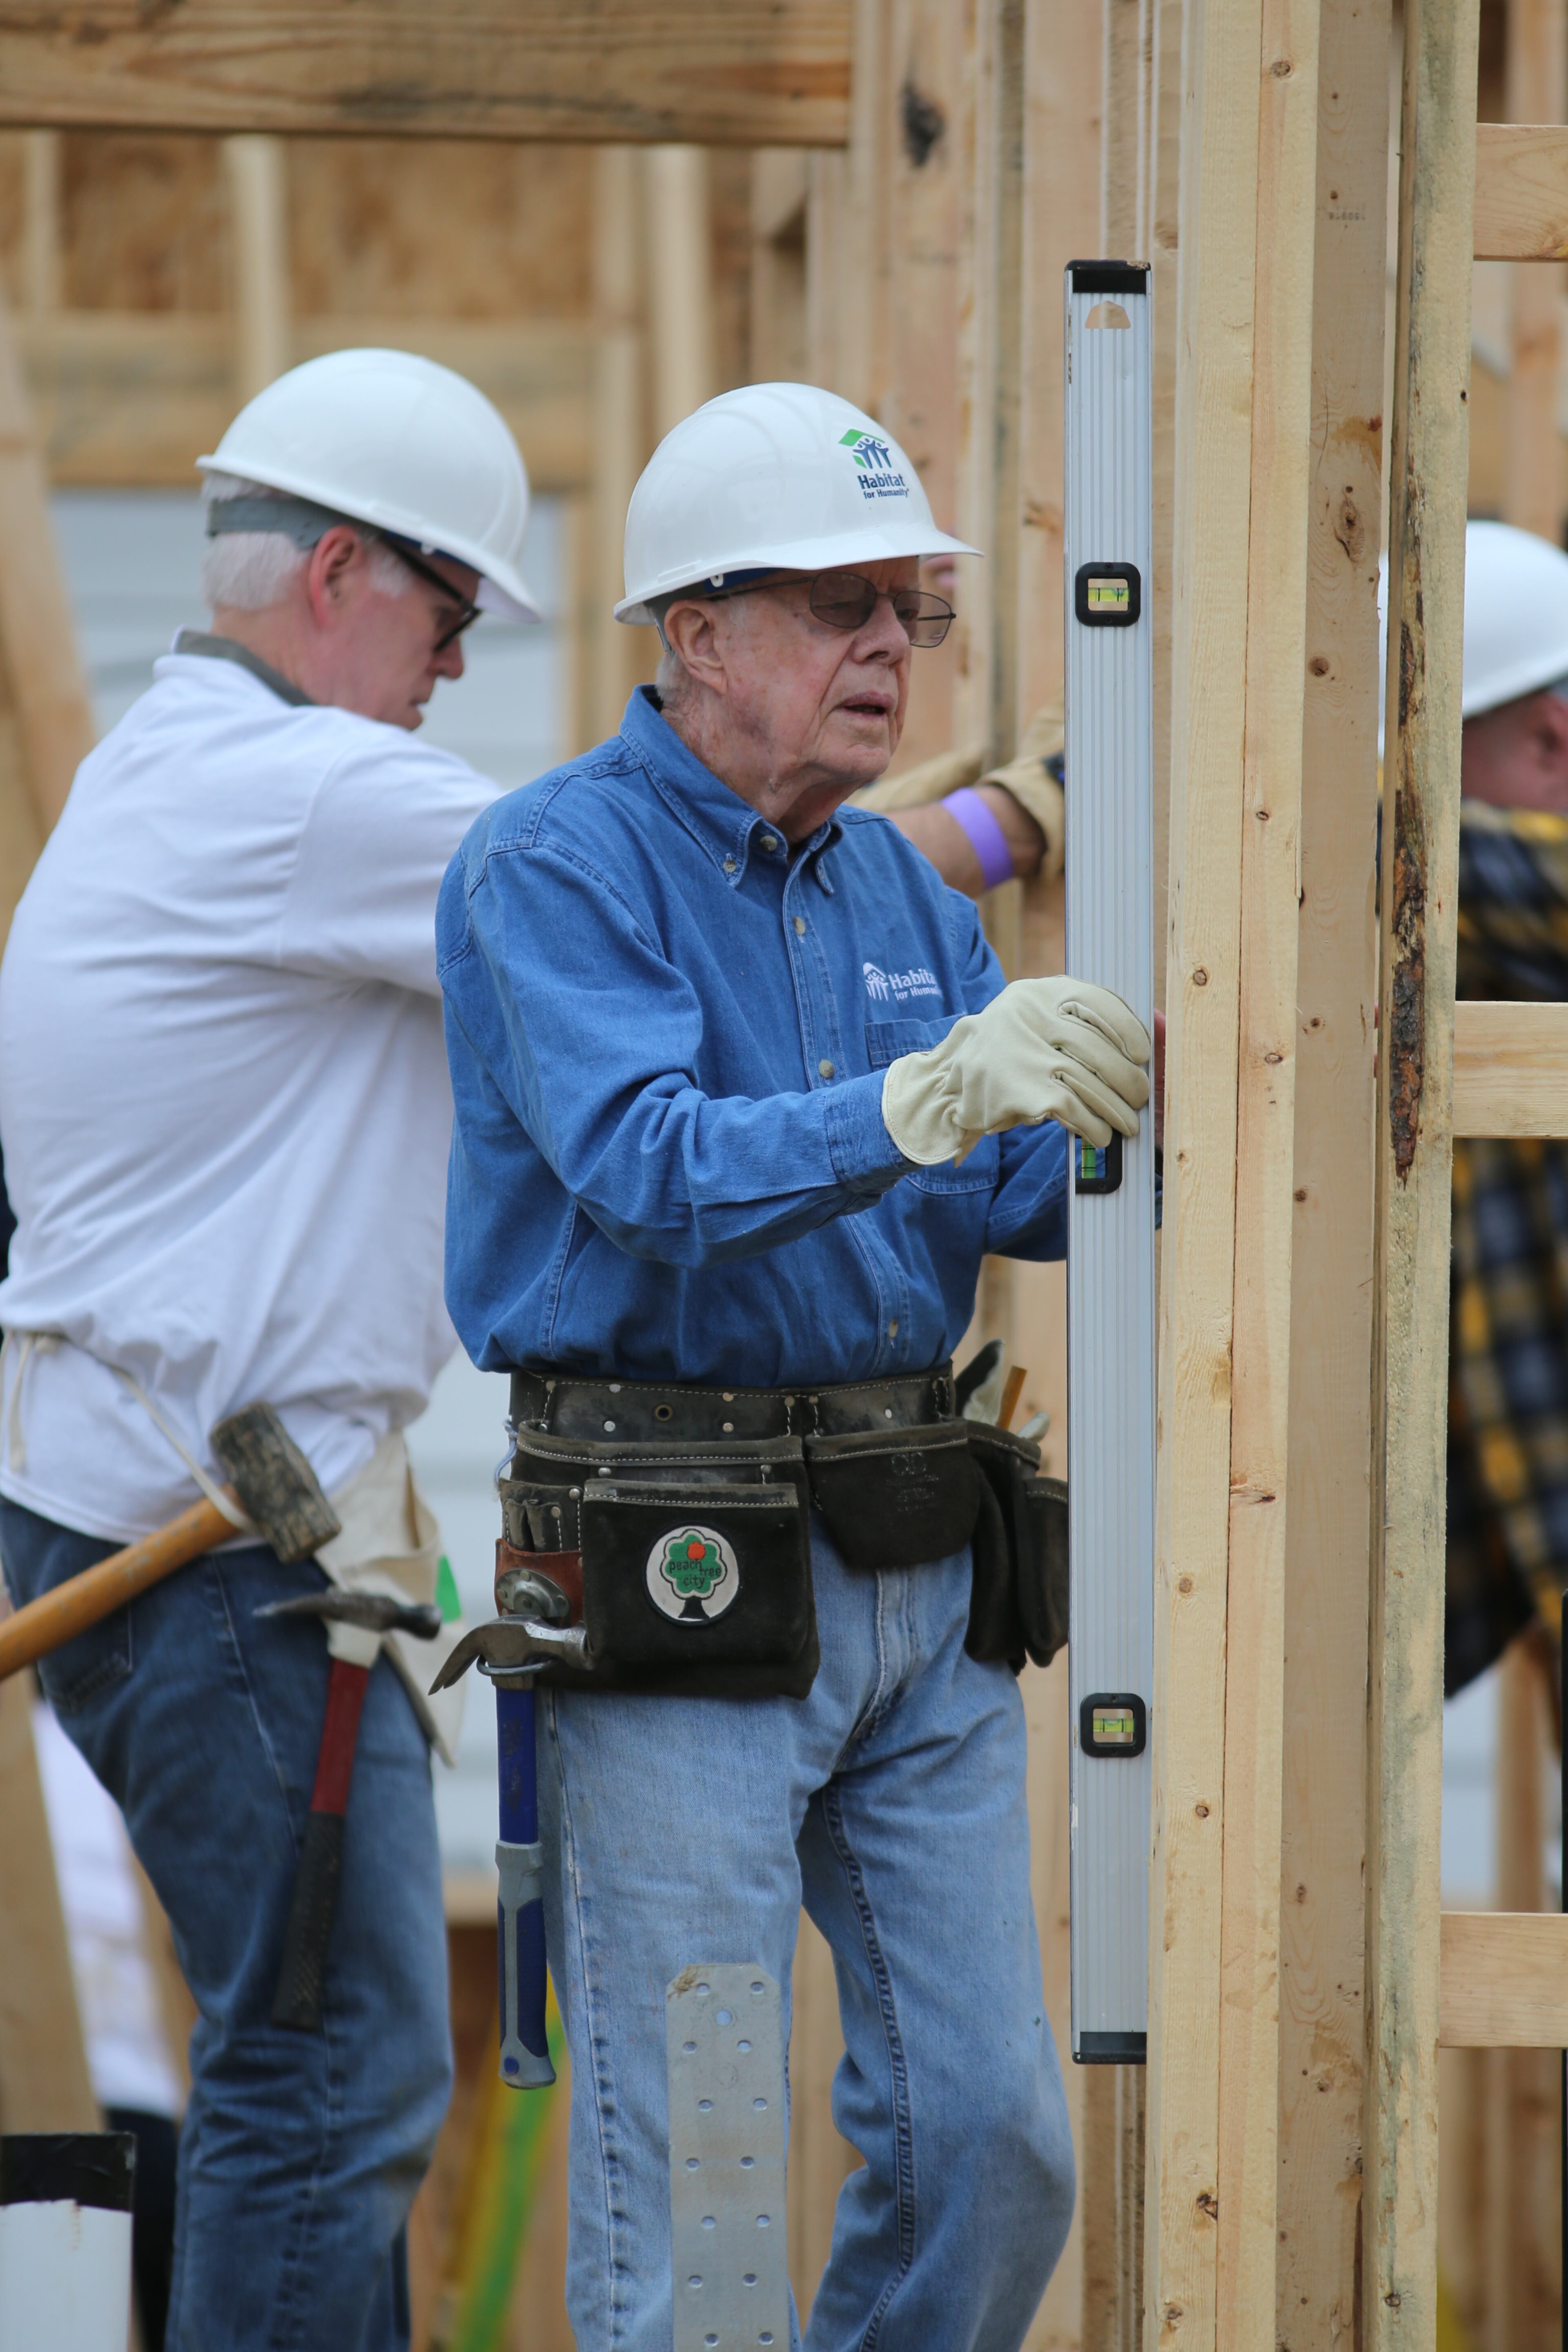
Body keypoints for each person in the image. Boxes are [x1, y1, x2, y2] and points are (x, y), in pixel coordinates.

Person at [438, 381, 1153, 2348]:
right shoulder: (555, 868)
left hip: (914, 1555)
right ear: (696, 634)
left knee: (998, 2144)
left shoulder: (897, 891)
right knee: (710, 2192)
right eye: (838, 608)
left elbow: (1003, 1181)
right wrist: (930, 1100)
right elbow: (650, 1169)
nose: (886, 652)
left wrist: (1141, 1124)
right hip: (678, 1558)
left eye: (906, 614)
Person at [0, 347, 539, 2350]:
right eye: (455, 612)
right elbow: (625, 900)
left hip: (199, 1525)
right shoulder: (304, 794)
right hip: (211, 1546)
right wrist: (997, 839)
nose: (462, 668)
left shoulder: (180, 766)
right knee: (329, 2078)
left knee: (328, 2071)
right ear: (337, 572)